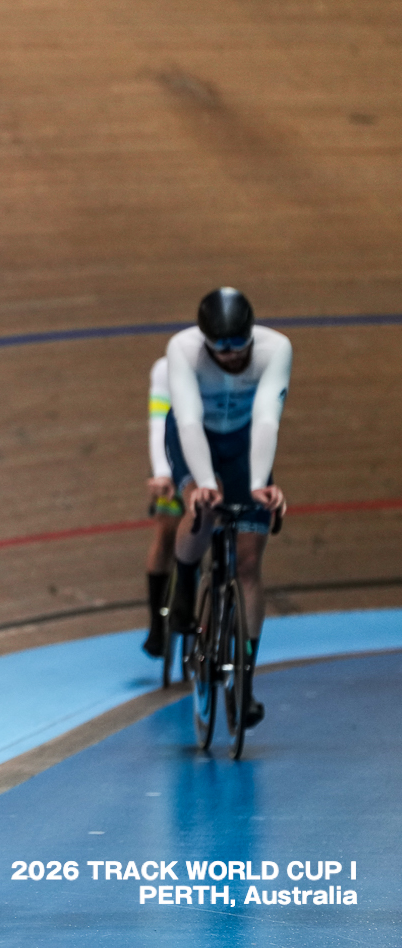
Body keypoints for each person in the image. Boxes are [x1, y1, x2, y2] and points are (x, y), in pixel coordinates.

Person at [164, 288, 290, 729]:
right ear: (206, 342)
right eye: (222, 348)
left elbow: (267, 419)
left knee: (250, 564)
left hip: (243, 442)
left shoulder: (276, 348)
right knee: (204, 511)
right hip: (194, 437)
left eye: (240, 345)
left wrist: (258, 484)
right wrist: (201, 484)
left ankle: (245, 686)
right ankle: (184, 582)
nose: (233, 356)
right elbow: (188, 420)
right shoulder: (182, 349)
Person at [140, 354, 184, 657]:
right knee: (167, 530)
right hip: (174, 450)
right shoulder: (166, 368)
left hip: (215, 449)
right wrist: (161, 474)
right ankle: (157, 623)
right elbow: (159, 426)